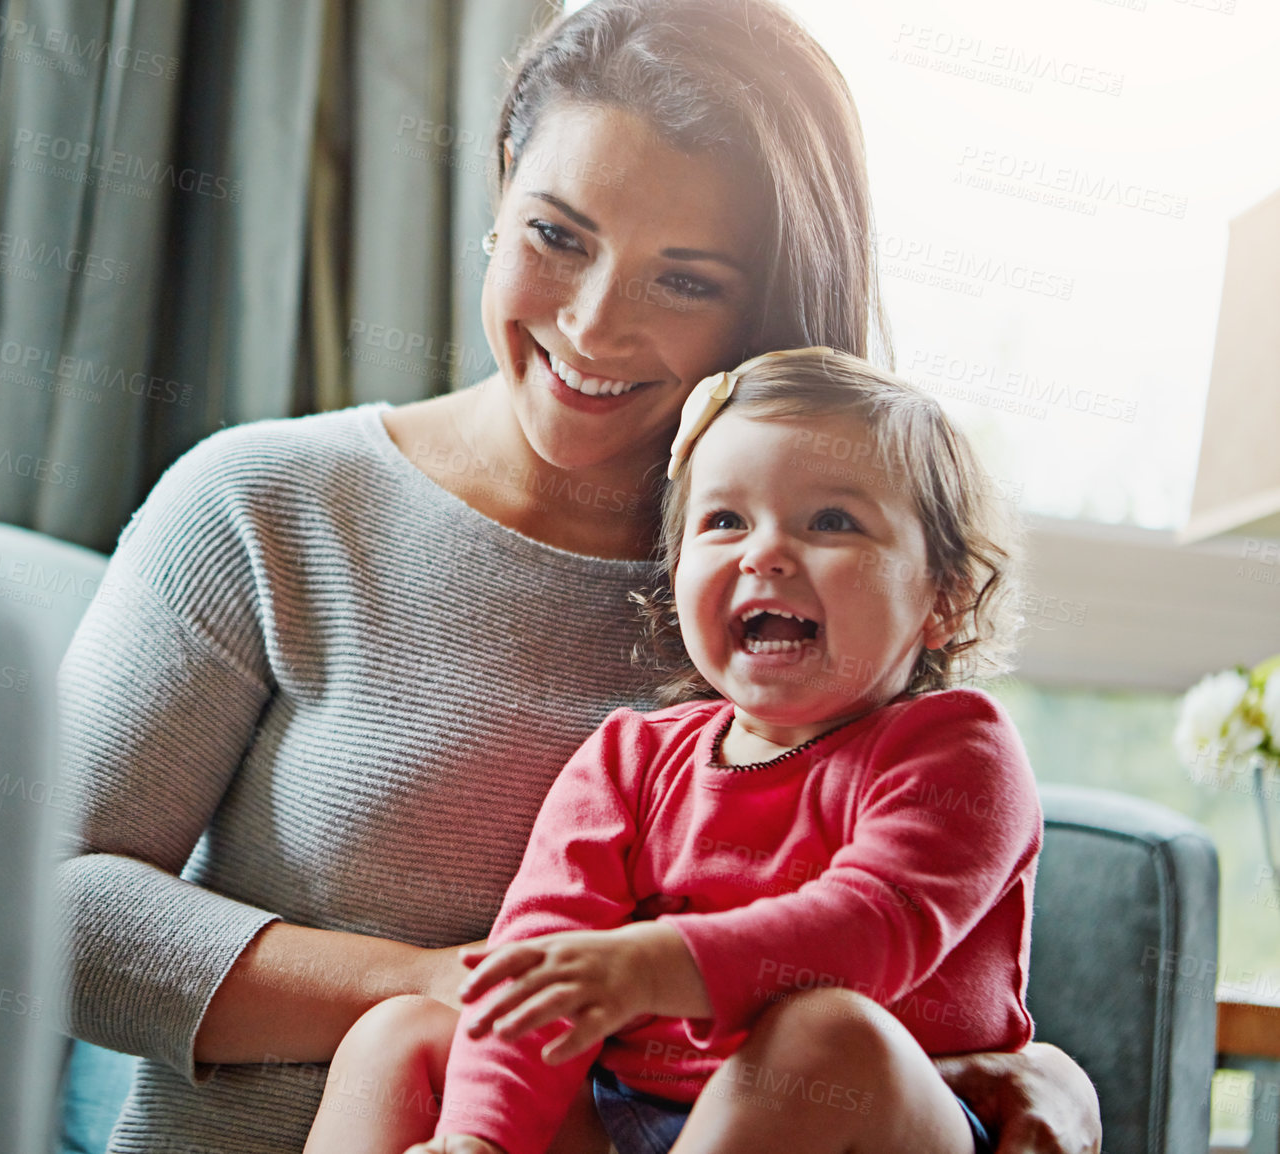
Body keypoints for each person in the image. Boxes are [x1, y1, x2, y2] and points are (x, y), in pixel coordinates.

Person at [55, 2, 1102, 1152]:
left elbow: (909, 924)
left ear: (762, 302)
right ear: (501, 185)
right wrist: (453, 984)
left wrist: (1049, 1074)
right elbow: (43, 909)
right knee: (400, 1035)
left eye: (686, 281)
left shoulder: (803, 610)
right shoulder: (261, 506)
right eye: (557, 236)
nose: (593, 325)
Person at [301, 347, 1037, 1154]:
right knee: (404, 1036)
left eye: (832, 521)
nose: (765, 552)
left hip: (867, 1119)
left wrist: (653, 966)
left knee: (827, 1035)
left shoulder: (955, 749)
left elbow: (871, 929)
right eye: (724, 521)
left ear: (943, 599)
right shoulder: (629, 760)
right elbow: (540, 965)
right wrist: (480, 1139)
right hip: (627, 1114)